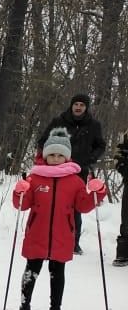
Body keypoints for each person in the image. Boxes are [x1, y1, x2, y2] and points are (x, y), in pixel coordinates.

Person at [13, 128, 107, 310]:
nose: (55, 159)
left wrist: (97, 194)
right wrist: (19, 192)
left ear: (67, 157)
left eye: (60, 155)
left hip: (62, 235)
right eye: (52, 155)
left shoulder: (74, 181)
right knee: (32, 271)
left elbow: (83, 205)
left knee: (58, 274)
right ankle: (24, 307)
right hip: (37, 233)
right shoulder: (35, 178)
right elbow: (22, 204)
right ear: (45, 156)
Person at [36, 93, 106, 254]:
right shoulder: (59, 121)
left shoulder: (94, 125)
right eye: (76, 104)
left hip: (79, 170)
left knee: (75, 206)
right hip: (55, 169)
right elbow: (42, 141)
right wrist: (47, 158)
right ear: (71, 105)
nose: (78, 107)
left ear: (86, 107)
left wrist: (90, 159)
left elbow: (100, 146)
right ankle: (46, 237)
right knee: (51, 203)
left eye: (82, 105)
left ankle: (74, 241)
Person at [115, 133, 128, 267]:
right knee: (126, 218)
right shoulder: (126, 136)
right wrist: (124, 168)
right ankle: (123, 253)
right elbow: (118, 155)